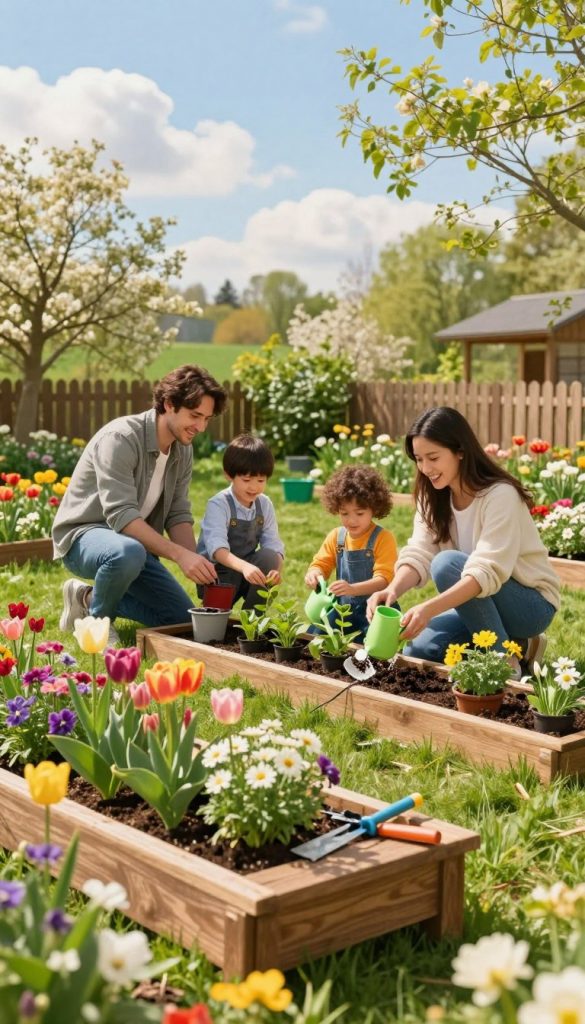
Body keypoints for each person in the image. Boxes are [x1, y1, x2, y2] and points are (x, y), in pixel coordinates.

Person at [366, 407, 561, 673]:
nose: (425, 469)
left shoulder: (500, 495)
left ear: (460, 451)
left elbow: (485, 570)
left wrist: (428, 609)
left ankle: (504, 661)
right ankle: (523, 646)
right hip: (478, 599)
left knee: (447, 564)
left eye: (433, 458)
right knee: (420, 649)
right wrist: (393, 589)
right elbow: (419, 552)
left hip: (529, 605)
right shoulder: (432, 495)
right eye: (419, 459)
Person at [52, 364, 228, 644]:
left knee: (181, 620)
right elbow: (121, 516)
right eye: (195, 415)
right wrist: (180, 556)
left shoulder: (183, 449)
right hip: (84, 539)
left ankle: (85, 597)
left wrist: (199, 565)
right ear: (169, 404)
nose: (201, 426)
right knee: (127, 551)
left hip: (133, 546)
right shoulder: (120, 438)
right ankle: (97, 622)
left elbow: (178, 513)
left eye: (206, 418)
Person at [304, 464, 398, 643]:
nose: (351, 520)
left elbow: (384, 580)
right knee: (315, 636)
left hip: (375, 610)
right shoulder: (336, 537)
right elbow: (321, 564)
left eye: (360, 513)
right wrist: (314, 574)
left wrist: (353, 589)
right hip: (342, 609)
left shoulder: (383, 538)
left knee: (378, 646)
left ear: (374, 508)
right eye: (344, 513)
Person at [196, 432, 284, 608]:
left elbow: (274, 545)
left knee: (269, 556)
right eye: (246, 479)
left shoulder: (264, 504)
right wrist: (244, 567)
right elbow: (217, 549)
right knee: (213, 630)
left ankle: (251, 622)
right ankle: (215, 615)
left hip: (250, 573)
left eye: (261, 480)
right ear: (229, 475)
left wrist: (276, 571)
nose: (254, 487)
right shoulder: (219, 504)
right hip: (217, 575)